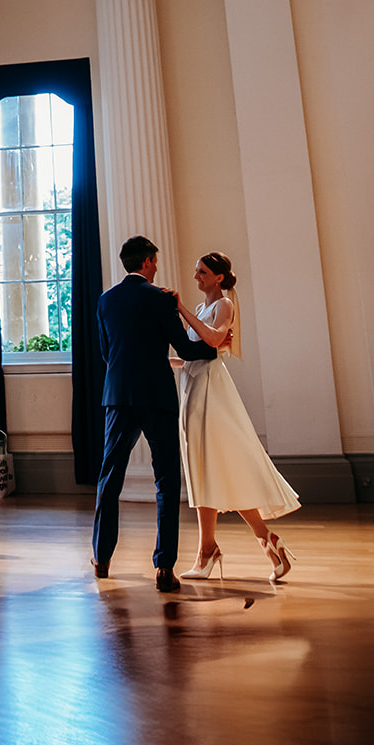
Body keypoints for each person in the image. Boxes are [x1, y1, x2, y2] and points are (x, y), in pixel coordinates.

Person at [92, 236, 217, 592]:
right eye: (155, 261)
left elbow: (106, 354)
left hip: (117, 397)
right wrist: (215, 348)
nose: (157, 266)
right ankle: (164, 567)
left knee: (109, 477)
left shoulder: (105, 300)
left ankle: (102, 559)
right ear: (147, 262)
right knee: (165, 480)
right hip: (157, 396)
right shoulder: (161, 298)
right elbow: (185, 349)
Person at [175, 253, 300, 581]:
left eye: (202, 272)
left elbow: (214, 341)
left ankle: (208, 552)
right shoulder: (202, 309)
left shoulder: (224, 305)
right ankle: (262, 541)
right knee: (207, 468)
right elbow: (194, 356)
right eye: (197, 271)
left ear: (218, 277)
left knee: (215, 465)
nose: (196, 276)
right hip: (193, 386)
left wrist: (181, 310)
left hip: (211, 392)